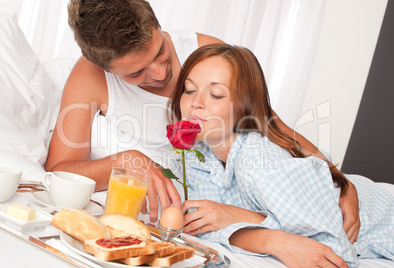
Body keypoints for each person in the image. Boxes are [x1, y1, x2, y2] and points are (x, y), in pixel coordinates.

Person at [45, 0, 360, 230]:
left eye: (160, 52)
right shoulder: (89, 77)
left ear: (157, 25)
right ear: (107, 69)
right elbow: (59, 169)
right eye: (136, 73)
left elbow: (269, 124)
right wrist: (127, 160)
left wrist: (338, 178)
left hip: (237, 201)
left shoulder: (207, 52)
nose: (160, 73)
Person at [167, 43, 394, 267]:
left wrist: (243, 219)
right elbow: (203, 228)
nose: (196, 103)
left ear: (244, 106)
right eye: (189, 90)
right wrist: (256, 230)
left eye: (216, 95)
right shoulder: (199, 156)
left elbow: (333, 256)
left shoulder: (260, 163)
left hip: (385, 217)